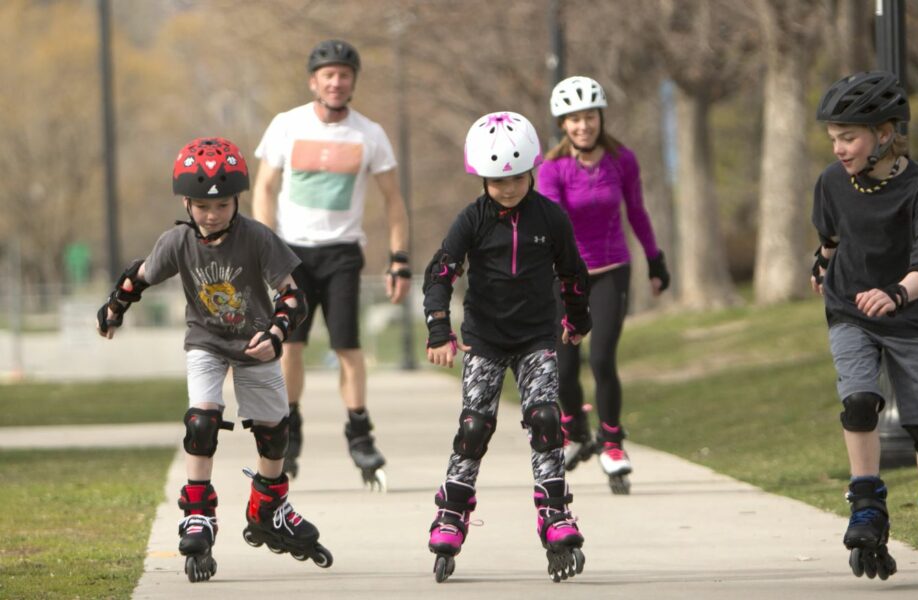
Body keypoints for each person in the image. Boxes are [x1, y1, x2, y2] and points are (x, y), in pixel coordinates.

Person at [96, 138, 332, 583]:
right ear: (186, 203)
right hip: (205, 341)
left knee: (274, 433)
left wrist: (277, 332)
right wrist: (113, 308)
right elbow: (139, 277)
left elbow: (292, 295)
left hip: (254, 341)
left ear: (237, 200)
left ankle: (270, 508)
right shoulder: (178, 242)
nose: (212, 215)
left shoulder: (257, 238)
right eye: (202, 206)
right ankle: (198, 511)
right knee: (201, 421)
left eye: (222, 205)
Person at [812, 71, 918, 585]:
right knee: (860, 401)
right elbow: (832, 237)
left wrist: (896, 293)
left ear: (884, 134)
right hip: (850, 311)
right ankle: (866, 502)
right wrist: (820, 266)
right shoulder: (831, 182)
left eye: (850, 137)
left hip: (910, 316)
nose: (839, 148)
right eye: (834, 138)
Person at [422, 111, 590, 583]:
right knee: (474, 426)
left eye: (516, 177)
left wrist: (577, 320)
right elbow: (439, 274)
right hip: (484, 338)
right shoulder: (471, 220)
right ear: (482, 177)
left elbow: (572, 273)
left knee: (544, 417)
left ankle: (555, 511)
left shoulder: (550, 217)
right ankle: (452, 512)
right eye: (498, 180)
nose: (509, 188)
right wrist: (439, 330)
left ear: (532, 168)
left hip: (537, 336)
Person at [252, 39, 411, 488]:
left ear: (353, 81)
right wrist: (267, 247)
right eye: (329, 75)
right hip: (291, 252)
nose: (337, 82)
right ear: (313, 81)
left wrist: (398, 259)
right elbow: (264, 186)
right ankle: (291, 427)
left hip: (342, 252)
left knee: (348, 346)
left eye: (344, 75)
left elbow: (393, 201)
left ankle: (359, 434)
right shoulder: (287, 125)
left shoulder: (369, 134)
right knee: (290, 346)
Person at [537, 76, 670, 495]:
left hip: (612, 269)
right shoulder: (552, 168)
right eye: (574, 119)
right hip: (565, 276)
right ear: (563, 124)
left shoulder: (622, 160)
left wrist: (655, 258)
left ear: (600, 118)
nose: (583, 126)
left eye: (589, 117)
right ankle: (576, 427)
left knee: (602, 358)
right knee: (563, 367)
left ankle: (612, 443)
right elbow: (551, 225)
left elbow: (637, 212)